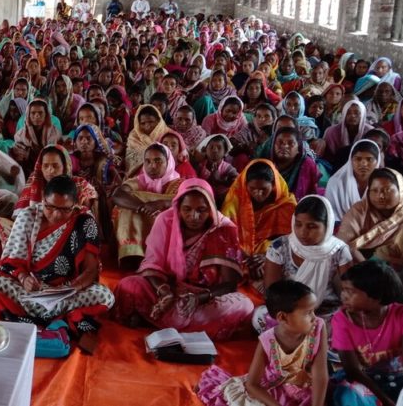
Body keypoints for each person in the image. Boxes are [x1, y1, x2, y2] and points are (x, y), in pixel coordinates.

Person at [0, 175, 116, 352]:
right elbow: (10, 262)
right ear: (43, 199)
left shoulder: (84, 221)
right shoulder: (28, 216)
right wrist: (23, 279)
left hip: (66, 293)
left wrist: (72, 288)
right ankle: (61, 321)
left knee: (105, 296)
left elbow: (91, 270)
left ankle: (27, 320)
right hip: (30, 291)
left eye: (65, 209)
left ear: (75, 204)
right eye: (50, 207)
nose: (56, 214)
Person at [114, 178, 254, 339]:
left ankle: (155, 320)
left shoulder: (223, 229)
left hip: (206, 298)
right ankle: (191, 328)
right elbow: (152, 265)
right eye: (187, 209)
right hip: (169, 290)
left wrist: (198, 298)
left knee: (244, 305)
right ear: (178, 207)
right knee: (129, 285)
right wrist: (164, 292)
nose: (194, 216)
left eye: (201, 210)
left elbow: (229, 284)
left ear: (211, 208)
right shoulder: (165, 220)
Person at [196, 280, 328, 406]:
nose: (314, 318)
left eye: (314, 311)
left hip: (307, 390)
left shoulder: (318, 328)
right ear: (282, 317)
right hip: (274, 389)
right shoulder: (267, 340)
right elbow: (252, 384)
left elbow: (320, 375)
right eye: (308, 313)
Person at [252, 195, 352, 333]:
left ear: (327, 226)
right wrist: (296, 315)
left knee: (344, 323)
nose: (303, 232)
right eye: (298, 224)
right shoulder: (280, 247)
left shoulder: (339, 251)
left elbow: (347, 294)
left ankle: (305, 339)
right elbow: (271, 292)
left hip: (326, 313)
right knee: (260, 316)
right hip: (289, 310)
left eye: (312, 226)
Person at [331, 261, 403, 406]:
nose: (343, 295)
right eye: (343, 289)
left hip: (400, 377)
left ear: (376, 296)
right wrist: (385, 401)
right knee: (348, 395)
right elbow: (352, 370)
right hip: (366, 379)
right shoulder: (341, 319)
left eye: (350, 291)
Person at [222, 160, 297, 291]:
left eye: (263, 189)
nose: (258, 193)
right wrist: (251, 261)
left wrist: (268, 256)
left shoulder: (286, 205)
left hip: (274, 254)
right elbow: (227, 237)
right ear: (246, 185)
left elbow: (293, 240)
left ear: (273, 185)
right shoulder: (234, 202)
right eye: (252, 189)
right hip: (242, 256)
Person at [112, 143, 184, 268]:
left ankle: (160, 257)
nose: (152, 166)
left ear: (168, 162)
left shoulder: (179, 183)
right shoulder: (140, 180)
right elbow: (118, 195)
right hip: (141, 219)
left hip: (168, 239)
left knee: (175, 207)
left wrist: (161, 203)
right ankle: (133, 254)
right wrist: (143, 206)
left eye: (158, 161)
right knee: (123, 206)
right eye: (148, 161)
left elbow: (184, 200)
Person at [338, 168, 403, 285]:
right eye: (375, 190)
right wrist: (367, 267)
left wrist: (390, 261)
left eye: (387, 190)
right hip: (361, 265)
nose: (380, 196)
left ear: (401, 190)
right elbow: (342, 242)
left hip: (400, 269)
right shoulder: (360, 210)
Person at [326, 139, 385, 220]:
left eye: (369, 159)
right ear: (351, 160)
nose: (363, 164)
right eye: (358, 159)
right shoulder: (336, 183)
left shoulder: (384, 184)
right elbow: (331, 213)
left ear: (377, 161)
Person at [271, 126, 324, 199]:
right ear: (273, 145)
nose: (285, 146)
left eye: (290, 143)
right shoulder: (266, 165)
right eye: (280, 142)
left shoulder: (308, 165)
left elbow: (313, 192)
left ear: (298, 148)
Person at [12, 99, 61, 175]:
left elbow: (55, 155)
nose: (37, 116)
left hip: (50, 170)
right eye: (33, 113)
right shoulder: (21, 135)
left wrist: (29, 154)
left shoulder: (54, 133)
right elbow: (19, 157)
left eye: (40, 113)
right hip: (27, 171)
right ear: (28, 115)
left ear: (46, 115)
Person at [126, 104, 171, 178]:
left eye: (151, 122)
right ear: (138, 123)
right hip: (138, 176)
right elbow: (130, 160)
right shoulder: (134, 136)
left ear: (158, 120)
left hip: (165, 174)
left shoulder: (168, 134)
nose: (147, 126)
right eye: (143, 123)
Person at [323, 100, 372, 167]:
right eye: (348, 113)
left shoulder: (370, 132)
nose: (352, 116)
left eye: (357, 113)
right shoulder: (331, 132)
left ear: (363, 114)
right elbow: (328, 157)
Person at [196, 134, 239, 206]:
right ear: (205, 150)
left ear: (225, 152)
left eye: (219, 148)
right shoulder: (201, 166)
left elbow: (237, 181)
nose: (215, 151)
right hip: (204, 198)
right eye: (211, 147)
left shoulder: (227, 168)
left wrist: (220, 180)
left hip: (223, 200)